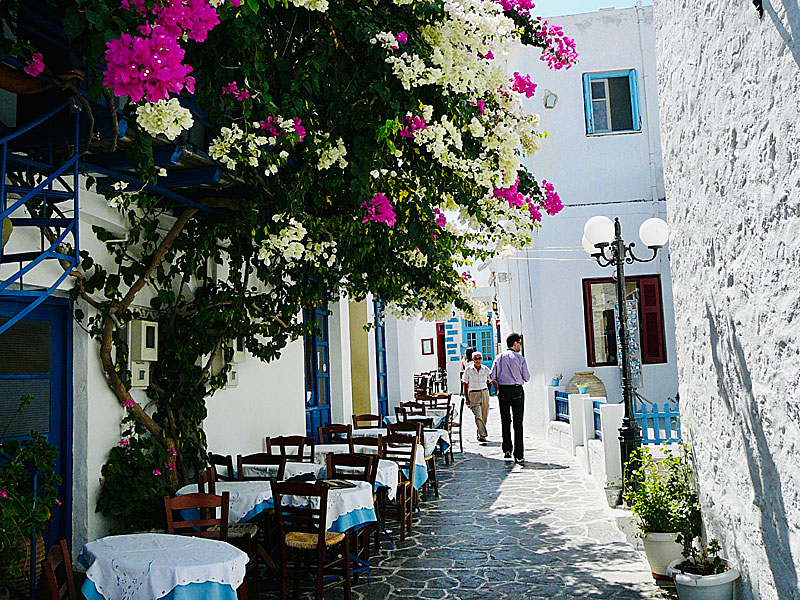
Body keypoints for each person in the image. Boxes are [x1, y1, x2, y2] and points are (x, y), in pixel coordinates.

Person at [489, 332, 530, 465]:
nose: (520, 346)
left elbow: (492, 376)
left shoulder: (499, 357)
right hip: (517, 390)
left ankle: (507, 449)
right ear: (515, 344)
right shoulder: (520, 358)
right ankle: (519, 454)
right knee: (518, 422)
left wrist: (499, 387)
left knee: (505, 421)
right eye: (519, 343)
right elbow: (527, 377)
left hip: (503, 391)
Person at [461, 351, 491, 443]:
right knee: (478, 415)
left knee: (484, 415)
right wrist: (467, 398)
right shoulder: (468, 370)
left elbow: (491, 380)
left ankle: (480, 433)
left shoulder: (485, 369)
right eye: (476, 359)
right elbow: (465, 384)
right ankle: (483, 434)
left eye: (480, 358)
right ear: (473, 359)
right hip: (473, 394)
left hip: (484, 393)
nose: (478, 360)